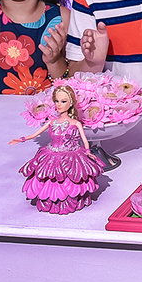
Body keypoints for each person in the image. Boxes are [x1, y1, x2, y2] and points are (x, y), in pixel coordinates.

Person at [10, 84, 104, 214]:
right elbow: (34, 134)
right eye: (57, 101)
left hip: (72, 155)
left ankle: (72, 200)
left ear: (71, 103)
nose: (59, 104)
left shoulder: (76, 123)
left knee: (74, 177)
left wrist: (88, 152)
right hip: (51, 154)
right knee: (47, 177)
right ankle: (50, 201)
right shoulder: (51, 122)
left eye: (63, 101)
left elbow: (84, 140)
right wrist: (22, 139)